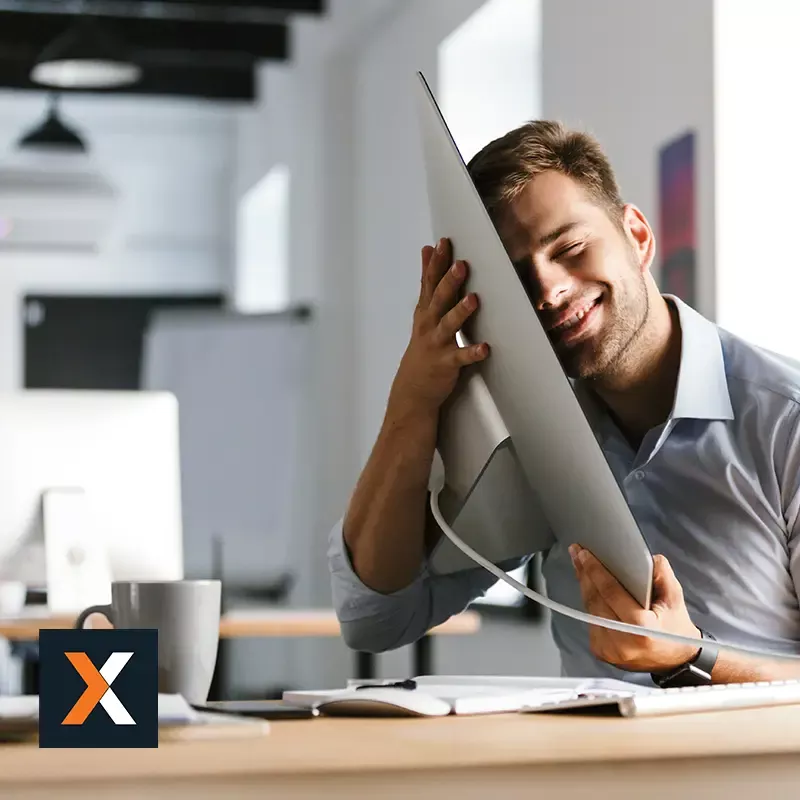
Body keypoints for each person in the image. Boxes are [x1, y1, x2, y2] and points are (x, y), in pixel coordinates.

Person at [327, 119, 800, 687]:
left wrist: (690, 657)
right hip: (584, 774)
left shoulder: (785, 421)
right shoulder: (533, 439)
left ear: (639, 238)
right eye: (516, 281)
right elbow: (376, 618)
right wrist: (411, 405)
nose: (548, 291)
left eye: (571, 248)